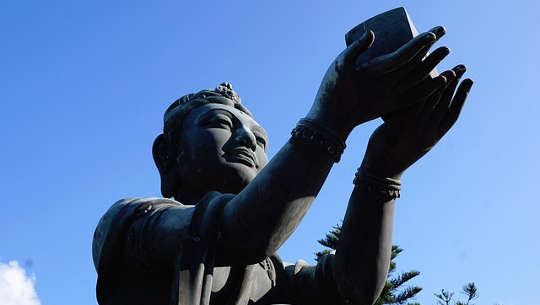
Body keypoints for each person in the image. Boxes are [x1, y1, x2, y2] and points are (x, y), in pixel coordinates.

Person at [92, 26, 473, 305]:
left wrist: (383, 170)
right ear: (167, 155)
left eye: (261, 140)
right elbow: (237, 234)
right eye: (220, 124)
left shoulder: (269, 274)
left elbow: (350, 289)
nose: (247, 140)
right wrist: (332, 118)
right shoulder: (132, 224)